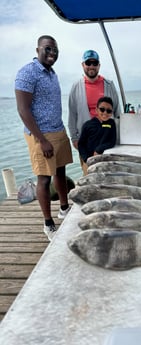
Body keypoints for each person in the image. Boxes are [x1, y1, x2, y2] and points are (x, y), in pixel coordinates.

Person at [15, 35, 73, 241]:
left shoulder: (52, 73)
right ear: (38, 49)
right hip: (41, 135)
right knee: (44, 178)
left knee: (60, 171)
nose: (52, 54)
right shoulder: (27, 73)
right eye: (48, 49)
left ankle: (64, 208)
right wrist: (42, 140)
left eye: (55, 50)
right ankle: (48, 224)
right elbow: (23, 110)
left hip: (58, 130)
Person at [68, 49, 121, 154]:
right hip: (87, 140)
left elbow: (117, 112)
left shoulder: (109, 85)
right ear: (83, 65)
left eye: (95, 63)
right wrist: (74, 138)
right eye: (88, 63)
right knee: (89, 169)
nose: (91, 66)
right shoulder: (76, 87)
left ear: (99, 65)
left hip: (107, 141)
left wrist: (119, 136)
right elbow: (72, 115)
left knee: (109, 169)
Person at [78, 97, 117, 175]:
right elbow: (81, 144)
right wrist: (86, 159)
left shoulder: (111, 123)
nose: (105, 113)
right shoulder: (87, 125)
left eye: (108, 111)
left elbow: (112, 141)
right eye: (102, 109)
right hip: (89, 160)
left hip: (104, 160)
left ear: (111, 113)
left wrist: (99, 149)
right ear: (96, 110)